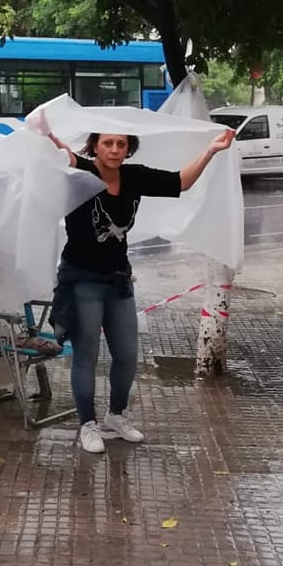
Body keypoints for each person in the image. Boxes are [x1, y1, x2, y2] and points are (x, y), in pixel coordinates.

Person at [43, 124, 234, 453]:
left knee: (127, 354)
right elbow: (59, 152)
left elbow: (181, 182)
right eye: (108, 143)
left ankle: (116, 416)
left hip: (118, 279)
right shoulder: (83, 172)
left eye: (121, 143)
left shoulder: (134, 177)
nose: (115, 149)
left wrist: (211, 151)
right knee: (86, 354)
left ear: (128, 148)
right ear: (96, 147)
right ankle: (87, 425)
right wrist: (47, 134)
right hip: (81, 279)